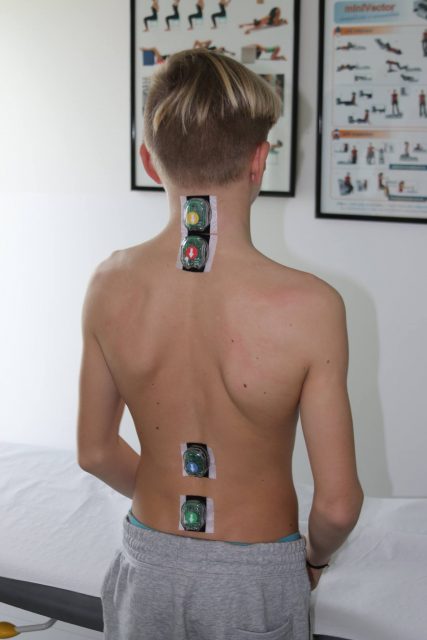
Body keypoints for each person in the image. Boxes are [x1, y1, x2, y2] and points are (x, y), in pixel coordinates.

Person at [77, 49, 364, 640]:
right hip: (256, 577)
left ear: (149, 161)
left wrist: (167, 495)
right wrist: (313, 562)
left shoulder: (107, 284)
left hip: (148, 567)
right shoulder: (311, 307)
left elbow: (95, 452)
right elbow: (338, 507)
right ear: (260, 160)